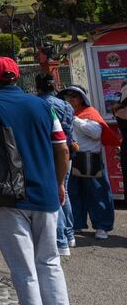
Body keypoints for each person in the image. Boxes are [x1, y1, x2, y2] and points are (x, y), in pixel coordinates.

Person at [0, 57, 71, 305]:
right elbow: (62, 148)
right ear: (17, 77)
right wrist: (59, 183)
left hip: (5, 194)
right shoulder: (43, 105)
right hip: (45, 193)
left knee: (24, 270)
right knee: (50, 262)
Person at [60, 85, 119, 240]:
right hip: (72, 157)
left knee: (97, 193)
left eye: (74, 96)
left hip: (89, 157)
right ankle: (77, 223)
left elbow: (96, 133)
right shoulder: (66, 113)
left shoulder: (90, 113)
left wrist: (76, 120)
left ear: (82, 98)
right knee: (74, 193)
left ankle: (102, 226)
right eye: (68, 96)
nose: (70, 99)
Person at [36, 74, 76, 255]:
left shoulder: (38, 104)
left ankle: (60, 240)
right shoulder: (66, 105)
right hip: (66, 152)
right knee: (64, 192)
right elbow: (69, 130)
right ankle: (69, 234)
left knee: (54, 194)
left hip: (48, 152)